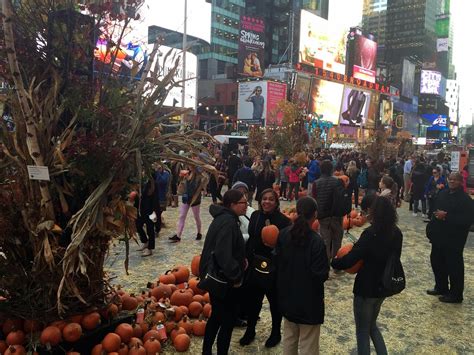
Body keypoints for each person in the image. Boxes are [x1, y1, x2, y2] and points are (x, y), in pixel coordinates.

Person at [332, 195, 403, 355]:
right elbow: (395, 258)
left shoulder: (371, 234)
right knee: (372, 326)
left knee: (362, 331)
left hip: (366, 287)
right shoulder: (396, 233)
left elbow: (351, 259)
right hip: (383, 286)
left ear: (374, 212)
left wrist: (334, 262)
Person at [275, 197, 329, 355]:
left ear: (297, 213)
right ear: (315, 215)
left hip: (287, 297)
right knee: (308, 344)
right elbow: (321, 275)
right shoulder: (316, 242)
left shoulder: (284, 234)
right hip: (309, 302)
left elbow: (276, 262)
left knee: (289, 339)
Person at [240, 189, 291, 348]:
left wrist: (275, 247)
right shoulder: (255, 216)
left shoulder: (284, 221)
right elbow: (252, 240)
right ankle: (250, 330)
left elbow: (287, 247)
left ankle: (276, 332)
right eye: (264, 199)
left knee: (274, 302)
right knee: (253, 301)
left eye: (270, 199)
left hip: (273, 267)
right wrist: (245, 259)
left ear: (276, 202)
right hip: (255, 265)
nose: (266, 202)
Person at [199, 189, 248, 355]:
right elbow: (222, 253)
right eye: (243, 202)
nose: (246, 205)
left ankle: (206, 351)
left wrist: (241, 259)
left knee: (217, 317)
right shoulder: (228, 222)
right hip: (223, 280)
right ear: (232, 205)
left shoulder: (224, 218)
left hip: (216, 277)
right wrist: (236, 276)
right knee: (227, 322)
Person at [425, 172, 474, 303]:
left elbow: (467, 220)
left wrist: (446, 217)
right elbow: (435, 211)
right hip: (438, 237)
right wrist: (430, 229)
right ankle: (441, 287)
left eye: (455, 180)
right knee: (437, 262)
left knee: (454, 267)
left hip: (454, 240)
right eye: (450, 179)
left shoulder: (465, 200)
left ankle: (456, 294)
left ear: (460, 182)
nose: (452, 182)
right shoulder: (443, 194)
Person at [311, 160, 344, 262]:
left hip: (323, 215)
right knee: (337, 239)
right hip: (336, 215)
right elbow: (342, 197)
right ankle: (336, 260)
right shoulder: (338, 181)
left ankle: (325, 263)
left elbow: (314, 199)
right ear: (331, 169)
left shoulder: (316, 183)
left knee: (325, 240)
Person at [169, 165, 207, 242]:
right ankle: (178, 236)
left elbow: (194, 187)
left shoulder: (199, 177)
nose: (189, 167)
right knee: (182, 216)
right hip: (186, 198)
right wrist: (182, 178)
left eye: (191, 165)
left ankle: (199, 233)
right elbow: (184, 185)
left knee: (196, 217)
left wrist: (187, 178)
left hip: (195, 199)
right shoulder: (188, 173)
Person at [135, 172, 160, 257]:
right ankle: (145, 241)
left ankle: (150, 248)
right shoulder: (141, 181)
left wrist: (155, 212)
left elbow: (151, 195)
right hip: (141, 209)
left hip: (150, 209)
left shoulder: (153, 183)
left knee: (150, 229)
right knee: (138, 225)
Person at [153, 162, 170, 234]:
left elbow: (162, 181)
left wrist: (158, 172)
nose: (158, 169)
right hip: (154, 196)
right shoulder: (155, 173)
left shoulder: (166, 174)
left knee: (158, 213)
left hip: (162, 196)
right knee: (154, 213)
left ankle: (157, 229)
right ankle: (156, 226)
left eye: (159, 168)